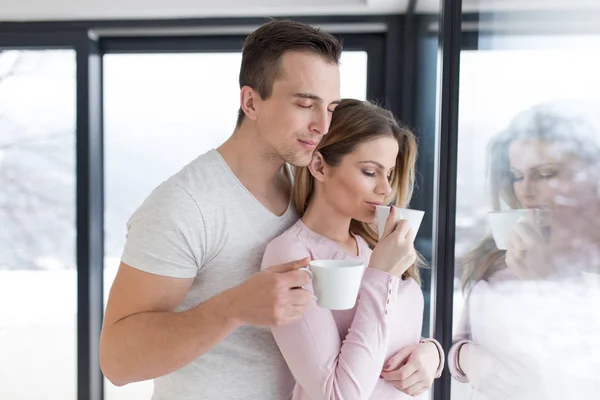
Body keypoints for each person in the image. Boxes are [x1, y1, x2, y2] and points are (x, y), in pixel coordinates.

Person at [99, 20, 343, 400]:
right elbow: (117, 362)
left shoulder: (312, 187)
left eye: (330, 108)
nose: (323, 125)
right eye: (304, 104)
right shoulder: (185, 205)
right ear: (250, 102)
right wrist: (231, 308)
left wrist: (427, 352)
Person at [261, 99, 445, 399]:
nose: (385, 189)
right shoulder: (293, 255)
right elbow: (337, 393)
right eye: (370, 172)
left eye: (389, 173)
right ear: (319, 165)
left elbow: (387, 335)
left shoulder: (374, 247)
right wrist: (381, 274)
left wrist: (431, 353)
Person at [449, 101, 600, 400]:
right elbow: (460, 340)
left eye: (545, 174)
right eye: (518, 175)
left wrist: (549, 282)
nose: (526, 190)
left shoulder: (588, 260)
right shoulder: (499, 249)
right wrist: (468, 359)